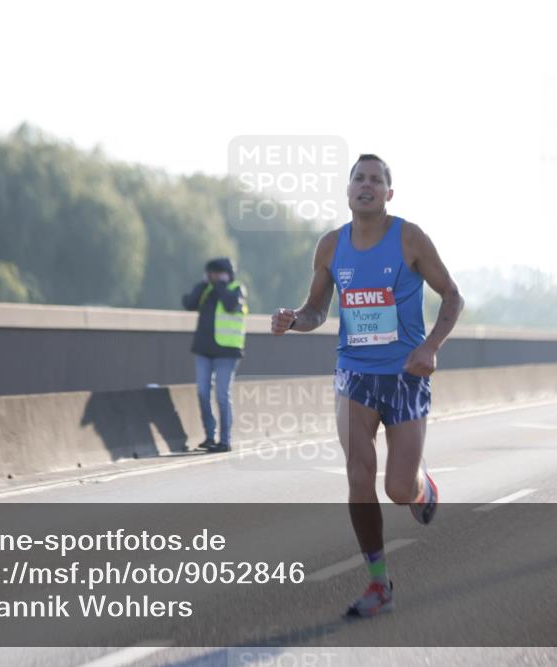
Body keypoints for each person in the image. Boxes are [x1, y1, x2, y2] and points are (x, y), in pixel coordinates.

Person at [270, 154, 464, 618]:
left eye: (376, 180)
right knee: (359, 475)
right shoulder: (332, 246)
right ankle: (379, 584)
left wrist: (431, 346)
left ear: (388, 194)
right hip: (354, 374)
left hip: (404, 375)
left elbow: (453, 295)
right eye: (359, 177)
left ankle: (422, 490)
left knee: (398, 488)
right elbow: (318, 309)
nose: (367, 185)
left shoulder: (410, 238)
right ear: (348, 189)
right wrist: (296, 319)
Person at [182, 258, 248, 453]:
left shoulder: (236, 289)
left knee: (221, 394)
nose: (213, 277)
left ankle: (225, 440)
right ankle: (210, 436)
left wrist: (220, 285)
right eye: (210, 273)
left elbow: (230, 304)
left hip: (227, 352)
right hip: (204, 350)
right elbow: (189, 303)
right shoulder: (206, 290)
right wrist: (203, 285)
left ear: (226, 273)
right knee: (203, 392)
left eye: (217, 273)